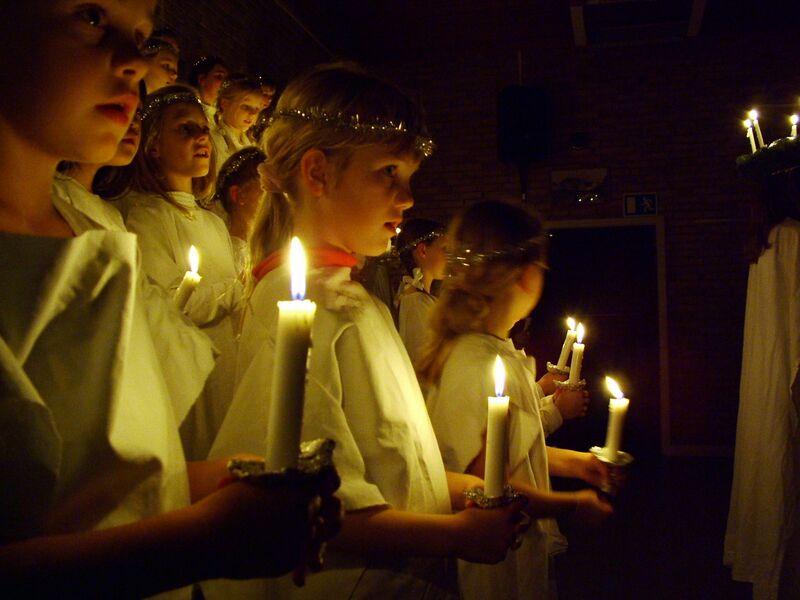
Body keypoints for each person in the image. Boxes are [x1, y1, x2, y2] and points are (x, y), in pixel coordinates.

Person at [0, 1, 339, 597]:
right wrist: (203, 541)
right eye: (90, 18)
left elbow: (114, 477)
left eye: (141, 36)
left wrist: (233, 481)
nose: (132, 62)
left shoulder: (90, 227)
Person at [207, 62, 528, 599]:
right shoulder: (301, 305)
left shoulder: (352, 299)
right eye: (387, 174)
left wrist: (455, 488)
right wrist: (455, 536)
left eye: (408, 180)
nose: (406, 199)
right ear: (317, 173)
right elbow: (309, 502)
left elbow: (384, 461)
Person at [419, 200, 612, 600]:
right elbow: (487, 484)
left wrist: (580, 465)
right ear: (526, 276)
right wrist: (570, 505)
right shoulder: (476, 363)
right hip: (492, 563)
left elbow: (512, 450)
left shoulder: (492, 350)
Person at [119, 84, 242, 462]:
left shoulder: (213, 223)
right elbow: (174, 305)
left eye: (203, 128)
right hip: (190, 379)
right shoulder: (144, 215)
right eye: (185, 129)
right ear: (153, 146)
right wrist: (241, 289)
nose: (202, 136)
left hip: (229, 371)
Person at [725, 167, 800, 600]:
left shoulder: (768, 243)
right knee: (781, 476)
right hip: (785, 377)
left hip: (772, 378)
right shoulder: (790, 240)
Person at [394, 218, 447, 369]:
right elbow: (421, 360)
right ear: (423, 251)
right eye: (445, 249)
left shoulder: (419, 298)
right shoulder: (416, 302)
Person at [215, 146, 267, 276]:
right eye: (264, 188)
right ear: (238, 195)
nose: (272, 198)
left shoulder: (267, 248)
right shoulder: (228, 256)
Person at [210, 75, 263, 171]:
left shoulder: (251, 143)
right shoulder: (214, 141)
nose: (253, 113)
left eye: (257, 108)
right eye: (246, 106)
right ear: (225, 104)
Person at [189, 55, 229, 123]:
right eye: (219, 76)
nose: (225, 83)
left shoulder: (222, 117)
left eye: (226, 79)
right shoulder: (190, 112)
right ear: (202, 79)